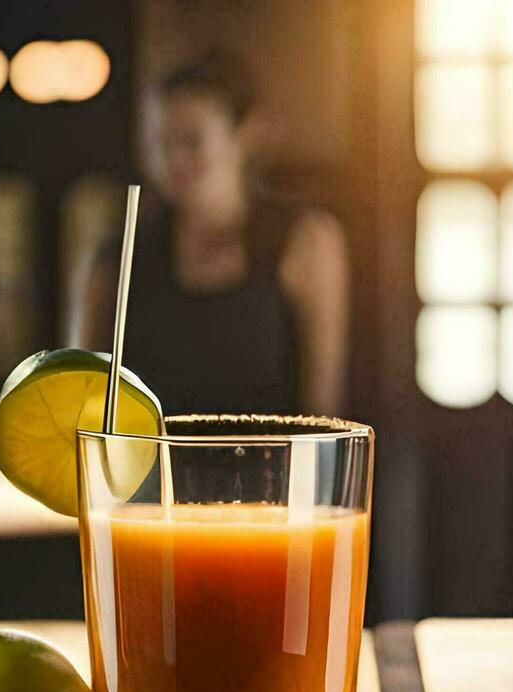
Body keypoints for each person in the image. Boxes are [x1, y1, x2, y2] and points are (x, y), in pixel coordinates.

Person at [69, 49, 349, 417]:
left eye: (190, 140)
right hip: (151, 473)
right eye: (159, 141)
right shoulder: (114, 259)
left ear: (244, 133)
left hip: (267, 471)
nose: (173, 159)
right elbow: (81, 402)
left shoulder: (306, 243)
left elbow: (321, 412)